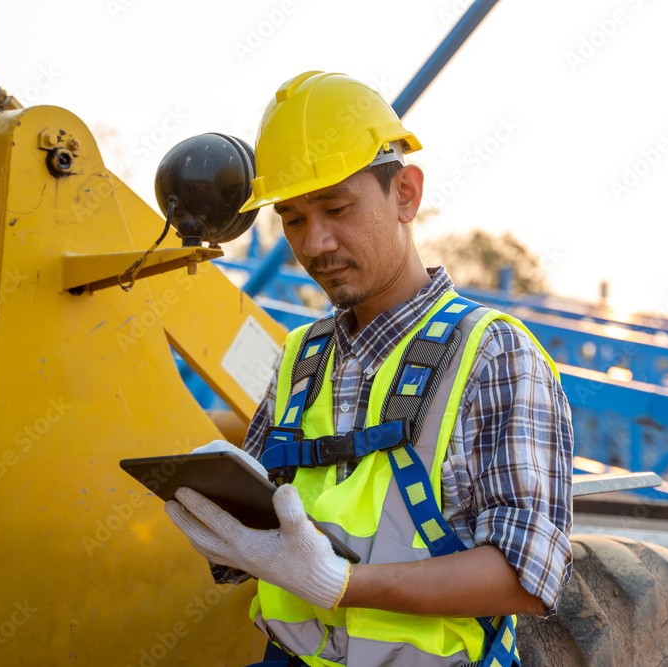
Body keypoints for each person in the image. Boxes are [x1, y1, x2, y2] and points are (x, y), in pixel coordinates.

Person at [165, 71, 574, 667]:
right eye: (294, 219)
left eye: (336, 208)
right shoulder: (301, 359)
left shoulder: (493, 356)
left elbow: (527, 574)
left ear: (405, 193)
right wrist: (229, 530)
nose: (316, 244)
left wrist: (341, 586)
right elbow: (266, 527)